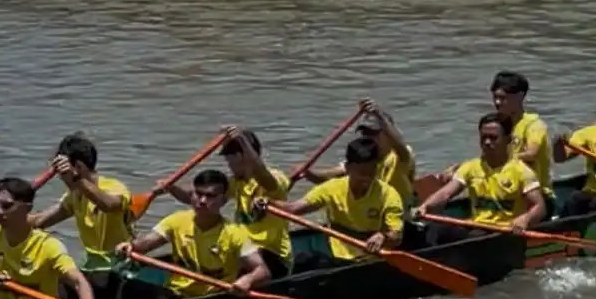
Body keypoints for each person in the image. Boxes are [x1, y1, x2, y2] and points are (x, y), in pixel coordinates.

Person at [158, 126, 292, 278]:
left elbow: (261, 172)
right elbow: (197, 200)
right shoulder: (235, 183)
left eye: (231, 162)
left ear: (244, 157)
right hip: (245, 249)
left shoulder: (274, 178)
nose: (229, 166)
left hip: (272, 255)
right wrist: (171, 188)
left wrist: (242, 141)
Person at [117, 169, 270, 299]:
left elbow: (262, 271)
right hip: (175, 293)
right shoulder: (177, 221)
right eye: (199, 194)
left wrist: (247, 280)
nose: (202, 201)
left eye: (210, 196)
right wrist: (129, 246)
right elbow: (144, 245)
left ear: (223, 200)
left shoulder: (235, 233)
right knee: (131, 288)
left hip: (211, 298)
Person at [268, 137, 404, 270]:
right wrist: (267, 202)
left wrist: (383, 236)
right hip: (335, 253)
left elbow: (396, 237)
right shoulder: (332, 188)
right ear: (348, 168)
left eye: (371, 173)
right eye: (362, 173)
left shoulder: (388, 195)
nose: (367, 179)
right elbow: (293, 209)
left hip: (368, 258)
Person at [413, 113, 545, 245]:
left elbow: (539, 207)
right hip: (477, 229)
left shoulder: (522, 172)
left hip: (504, 233)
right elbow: (445, 193)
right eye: (484, 138)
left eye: (493, 138)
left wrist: (525, 219)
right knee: (435, 228)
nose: (487, 142)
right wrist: (425, 206)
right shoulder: (471, 167)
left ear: (508, 140)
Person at [29, 134, 134, 269]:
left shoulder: (113, 187)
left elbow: (110, 205)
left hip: (120, 262)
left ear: (78, 167)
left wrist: (76, 179)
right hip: (93, 264)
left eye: (63, 173)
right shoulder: (74, 196)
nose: (61, 178)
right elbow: (39, 221)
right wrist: (7, 216)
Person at [303, 98, 416, 206]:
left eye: (373, 133)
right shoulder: (362, 156)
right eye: (365, 133)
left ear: (387, 135)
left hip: (396, 214)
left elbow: (400, 144)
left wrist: (379, 115)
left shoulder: (399, 156)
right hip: (370, 215)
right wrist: (308, 174)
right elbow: (329, 177)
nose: (368, 137)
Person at [553, 81, 596, 217]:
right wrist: (558, 145)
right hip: (594, 192)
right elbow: (560, 158)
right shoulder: (590, 134)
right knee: (574, 200)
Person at [492, 71, 554, 208]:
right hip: (508, 192)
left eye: (503, 98)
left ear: (520, 96)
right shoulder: (498, 126)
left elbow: (532, 154)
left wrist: (502, 160)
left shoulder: (534, 125)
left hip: (537, 196)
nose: (497, 102)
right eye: (495, 97)